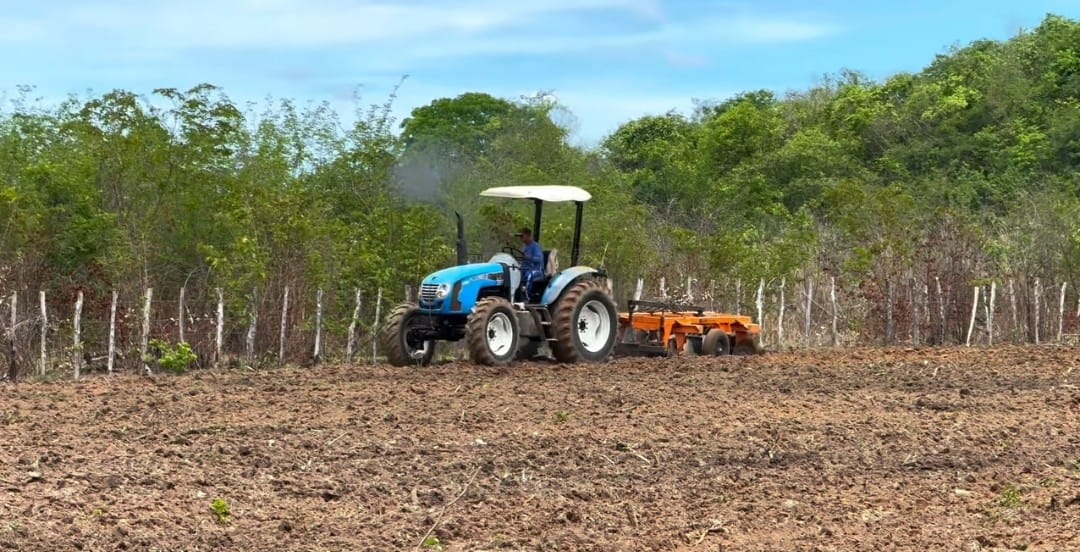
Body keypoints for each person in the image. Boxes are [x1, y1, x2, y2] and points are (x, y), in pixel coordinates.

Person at [516, 227, 544, 302]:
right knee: (515, 273)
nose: (521, 238)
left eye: (522, 236)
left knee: (529, 276)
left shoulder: (535, 247)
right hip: (524, 269)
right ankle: (516, 296)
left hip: (535, 270)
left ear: (528, 236)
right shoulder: (525, 247)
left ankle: (527, 298)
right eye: (520, 237)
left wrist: (529, 257)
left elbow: (539, 259)